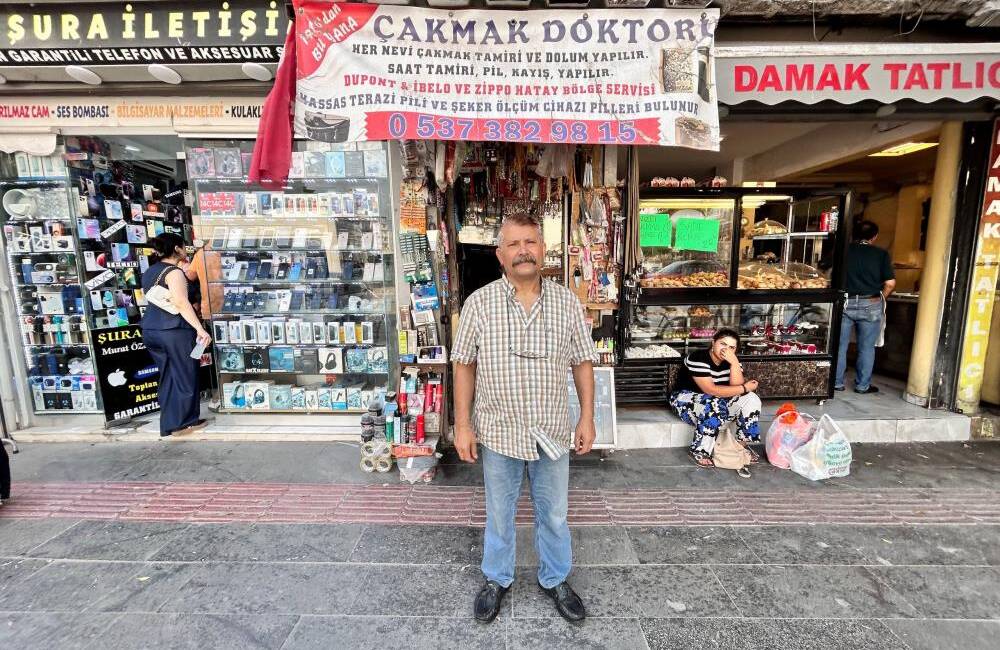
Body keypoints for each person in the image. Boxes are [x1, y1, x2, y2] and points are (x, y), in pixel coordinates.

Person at [453, 213, 597, 625]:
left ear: (543, 250)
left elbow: (583, 361)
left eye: (530, 242)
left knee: (553, 512)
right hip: (499, 431)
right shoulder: (478, 303)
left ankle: (555, 578)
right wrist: (463, 425)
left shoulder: (567, 302)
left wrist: (587, 417)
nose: (523, 251)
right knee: (500, 513)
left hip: (551, 428)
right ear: (500, 255)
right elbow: (463, 364)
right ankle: (496, 578)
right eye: (513, 244)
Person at [141, 233, 212, 438]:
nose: (185, 250)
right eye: (183, 246)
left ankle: (170, 423)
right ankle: (185, 423)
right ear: (177, 249)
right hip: (175, 331)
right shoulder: (174, 272)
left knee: (168, 376)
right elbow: (181, 303)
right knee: (186, 373)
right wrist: (200, 328)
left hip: (152, 330)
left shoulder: (150, 271)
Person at [669, 328, 762, 470]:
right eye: (723, 344)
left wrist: (735, 363)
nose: (726, 350)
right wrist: (745, 388)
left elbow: (737, 390)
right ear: (713, 343)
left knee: (751, 398)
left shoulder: (733, 361)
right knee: (713, 402)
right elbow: (710, 390)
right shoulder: (698, 357)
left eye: (732, 347)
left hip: (718, 400)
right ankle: (700, 450)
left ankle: (739, 446)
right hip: (685, 400)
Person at [836, 220, 895, 394]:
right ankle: (862, 386)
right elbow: (890, 283)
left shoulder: (842, 252)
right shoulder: (881, 254)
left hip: (845, 302)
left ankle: (836, 384)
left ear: (853, 234)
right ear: (874, 236)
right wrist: (880, 298)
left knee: (840, 346)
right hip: (870, 303)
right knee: (866, 347)